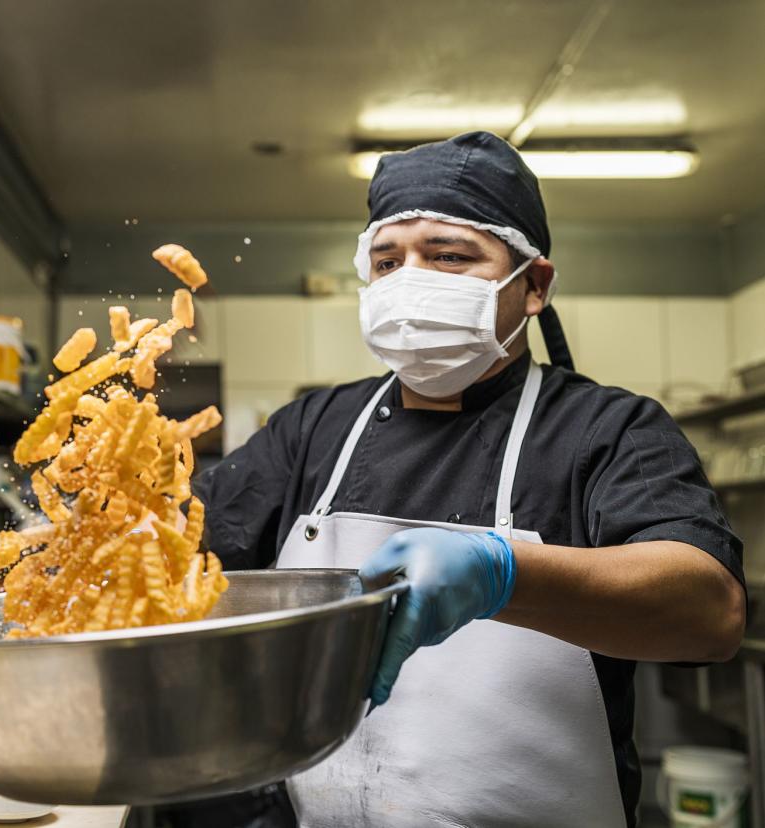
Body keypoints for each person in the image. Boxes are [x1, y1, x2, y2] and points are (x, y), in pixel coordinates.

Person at [194, 131, 745, 828]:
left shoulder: (606, 430)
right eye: (386, 260)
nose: (408, 282)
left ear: (534, 285)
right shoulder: (312, 429)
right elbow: (178, 564)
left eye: (448, 257)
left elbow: (709, 616)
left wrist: (504, 573)